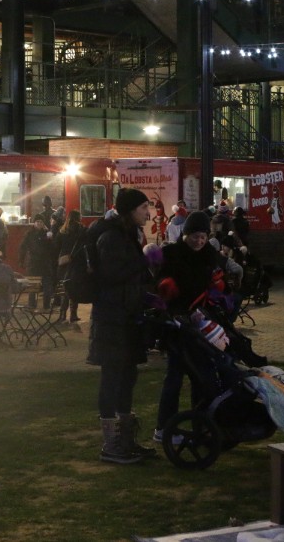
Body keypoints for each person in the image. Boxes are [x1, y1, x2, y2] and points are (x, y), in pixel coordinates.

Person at [88, 188, 155, 464]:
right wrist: (142, 265)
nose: (148, 214)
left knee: (128, 377)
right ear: (129, 210)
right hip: (112, 320)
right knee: (112, 378)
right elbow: (111, 275)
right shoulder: (111, 237)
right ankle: (111, 444)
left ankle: (126, 439)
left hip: (128, 319)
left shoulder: (127, 235)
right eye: (143, 208)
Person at [153, 211, 232, 442]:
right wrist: (165, 291)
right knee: (175, 376)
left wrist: (219, 295)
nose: (199, 241)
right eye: (195, 236)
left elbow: (219, 285)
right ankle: (163, 427)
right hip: (176, 325)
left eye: (203, 237)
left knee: (203, 376)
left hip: (201, 323)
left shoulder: (210, 256)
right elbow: (157, 284)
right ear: (185, 234)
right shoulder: (170, 254)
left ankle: (202, 424)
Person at [56, 210, 87, 325]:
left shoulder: (62, 230)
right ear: (79, 218)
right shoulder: (82, 230)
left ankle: (62, 315)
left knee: (65, 289)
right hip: (77, 264)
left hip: (64, 263)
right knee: (74, 289)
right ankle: (73, 315)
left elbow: (56, 246)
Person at [19, 215, 55, 308]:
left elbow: (52, 249)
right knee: (33, 286)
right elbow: (23, 247)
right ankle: (32, 305)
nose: (39, 223)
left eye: (41, 222)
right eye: (37, 221)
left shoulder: (47, 233)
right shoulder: (29, 234)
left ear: (43, 224)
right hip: (33, 263)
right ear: (34, 223)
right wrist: (21, 260)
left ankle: (46, 305)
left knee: (47, 286)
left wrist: (51, 240)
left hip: (45, 264)